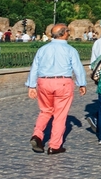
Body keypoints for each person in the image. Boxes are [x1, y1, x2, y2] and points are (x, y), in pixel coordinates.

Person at [26, 23, 86, 154]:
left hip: (44, 82)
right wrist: (81, 84)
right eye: (68, 31)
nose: (69, 33)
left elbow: (34, 67)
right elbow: (78, 68)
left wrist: (31, 85)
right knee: (60, 115)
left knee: (45, 111)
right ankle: (54, 145)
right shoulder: (70, 50)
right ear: (64, 33)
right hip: (63, 82)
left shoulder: (42, 49)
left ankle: (37, 135)